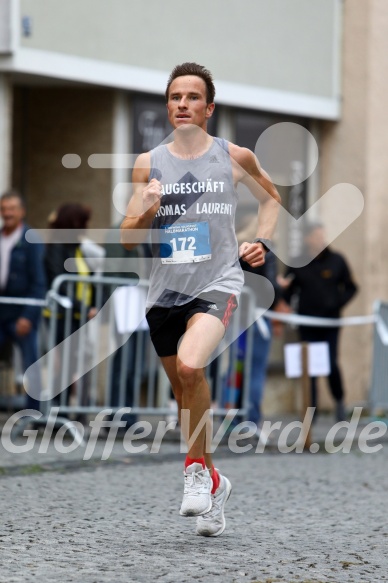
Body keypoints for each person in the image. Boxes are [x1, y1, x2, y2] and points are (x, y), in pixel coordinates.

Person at [121, 62, 280, 537]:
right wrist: (146, 209)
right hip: (164, 293)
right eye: (175, 97)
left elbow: (272, 198)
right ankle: (215, 482)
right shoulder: (148, 164)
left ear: (209, 108)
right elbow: (128, 239)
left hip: (219, 283)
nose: (182, 105)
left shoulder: (235, 157)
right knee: (186, 399)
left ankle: (193, 472)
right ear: (168, 106)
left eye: (192, 97)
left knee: (192, 369)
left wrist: (262, 243)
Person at [279, 222, 358, 422]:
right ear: (307, 239)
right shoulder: (298, 262)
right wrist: (285, 307)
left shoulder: (336, 260)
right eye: (316, 236)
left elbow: (351, 287)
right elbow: (287, 291)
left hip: (330, 323)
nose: (320, 240)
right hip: (307, 322)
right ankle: (310, 410)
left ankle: (339, 402)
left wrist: (337, 304)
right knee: (310, 367)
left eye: (322, 236)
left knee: (330, 362)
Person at [44, 203, 99, 411]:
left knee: (69, 366)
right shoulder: (58, 247)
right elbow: (61, 282)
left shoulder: (76, 247)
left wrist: (91, 305)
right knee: (62, 366)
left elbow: (87, 280)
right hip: (60, 316)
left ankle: (62, 411)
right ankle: (57, 411)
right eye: (85, 222)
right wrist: (86, 308)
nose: (88, 226)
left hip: (75, 316)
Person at [0, 190, 46, 410]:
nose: (7, 213)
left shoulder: (30, 240)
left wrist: (28, 316)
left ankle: (34, 412)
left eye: (11, 209)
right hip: (2, 310)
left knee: (30, 363)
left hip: (22, 311)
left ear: (21, 212)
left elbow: (39, 281)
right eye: (4, 209)